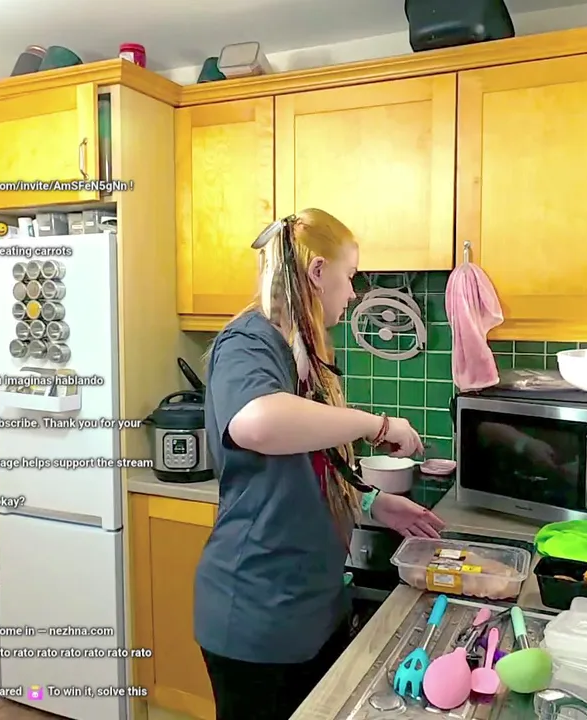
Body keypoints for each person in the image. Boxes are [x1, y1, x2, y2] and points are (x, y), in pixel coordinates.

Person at [194, 209, 446, 720]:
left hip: (313, 608)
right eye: (350, 277)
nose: (352, 293)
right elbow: (257, 423)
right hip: (258, 615)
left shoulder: (303, 351)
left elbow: (310, 463)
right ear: (316, 271)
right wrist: (375, 425)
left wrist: (372, 503)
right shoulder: (249, 340)